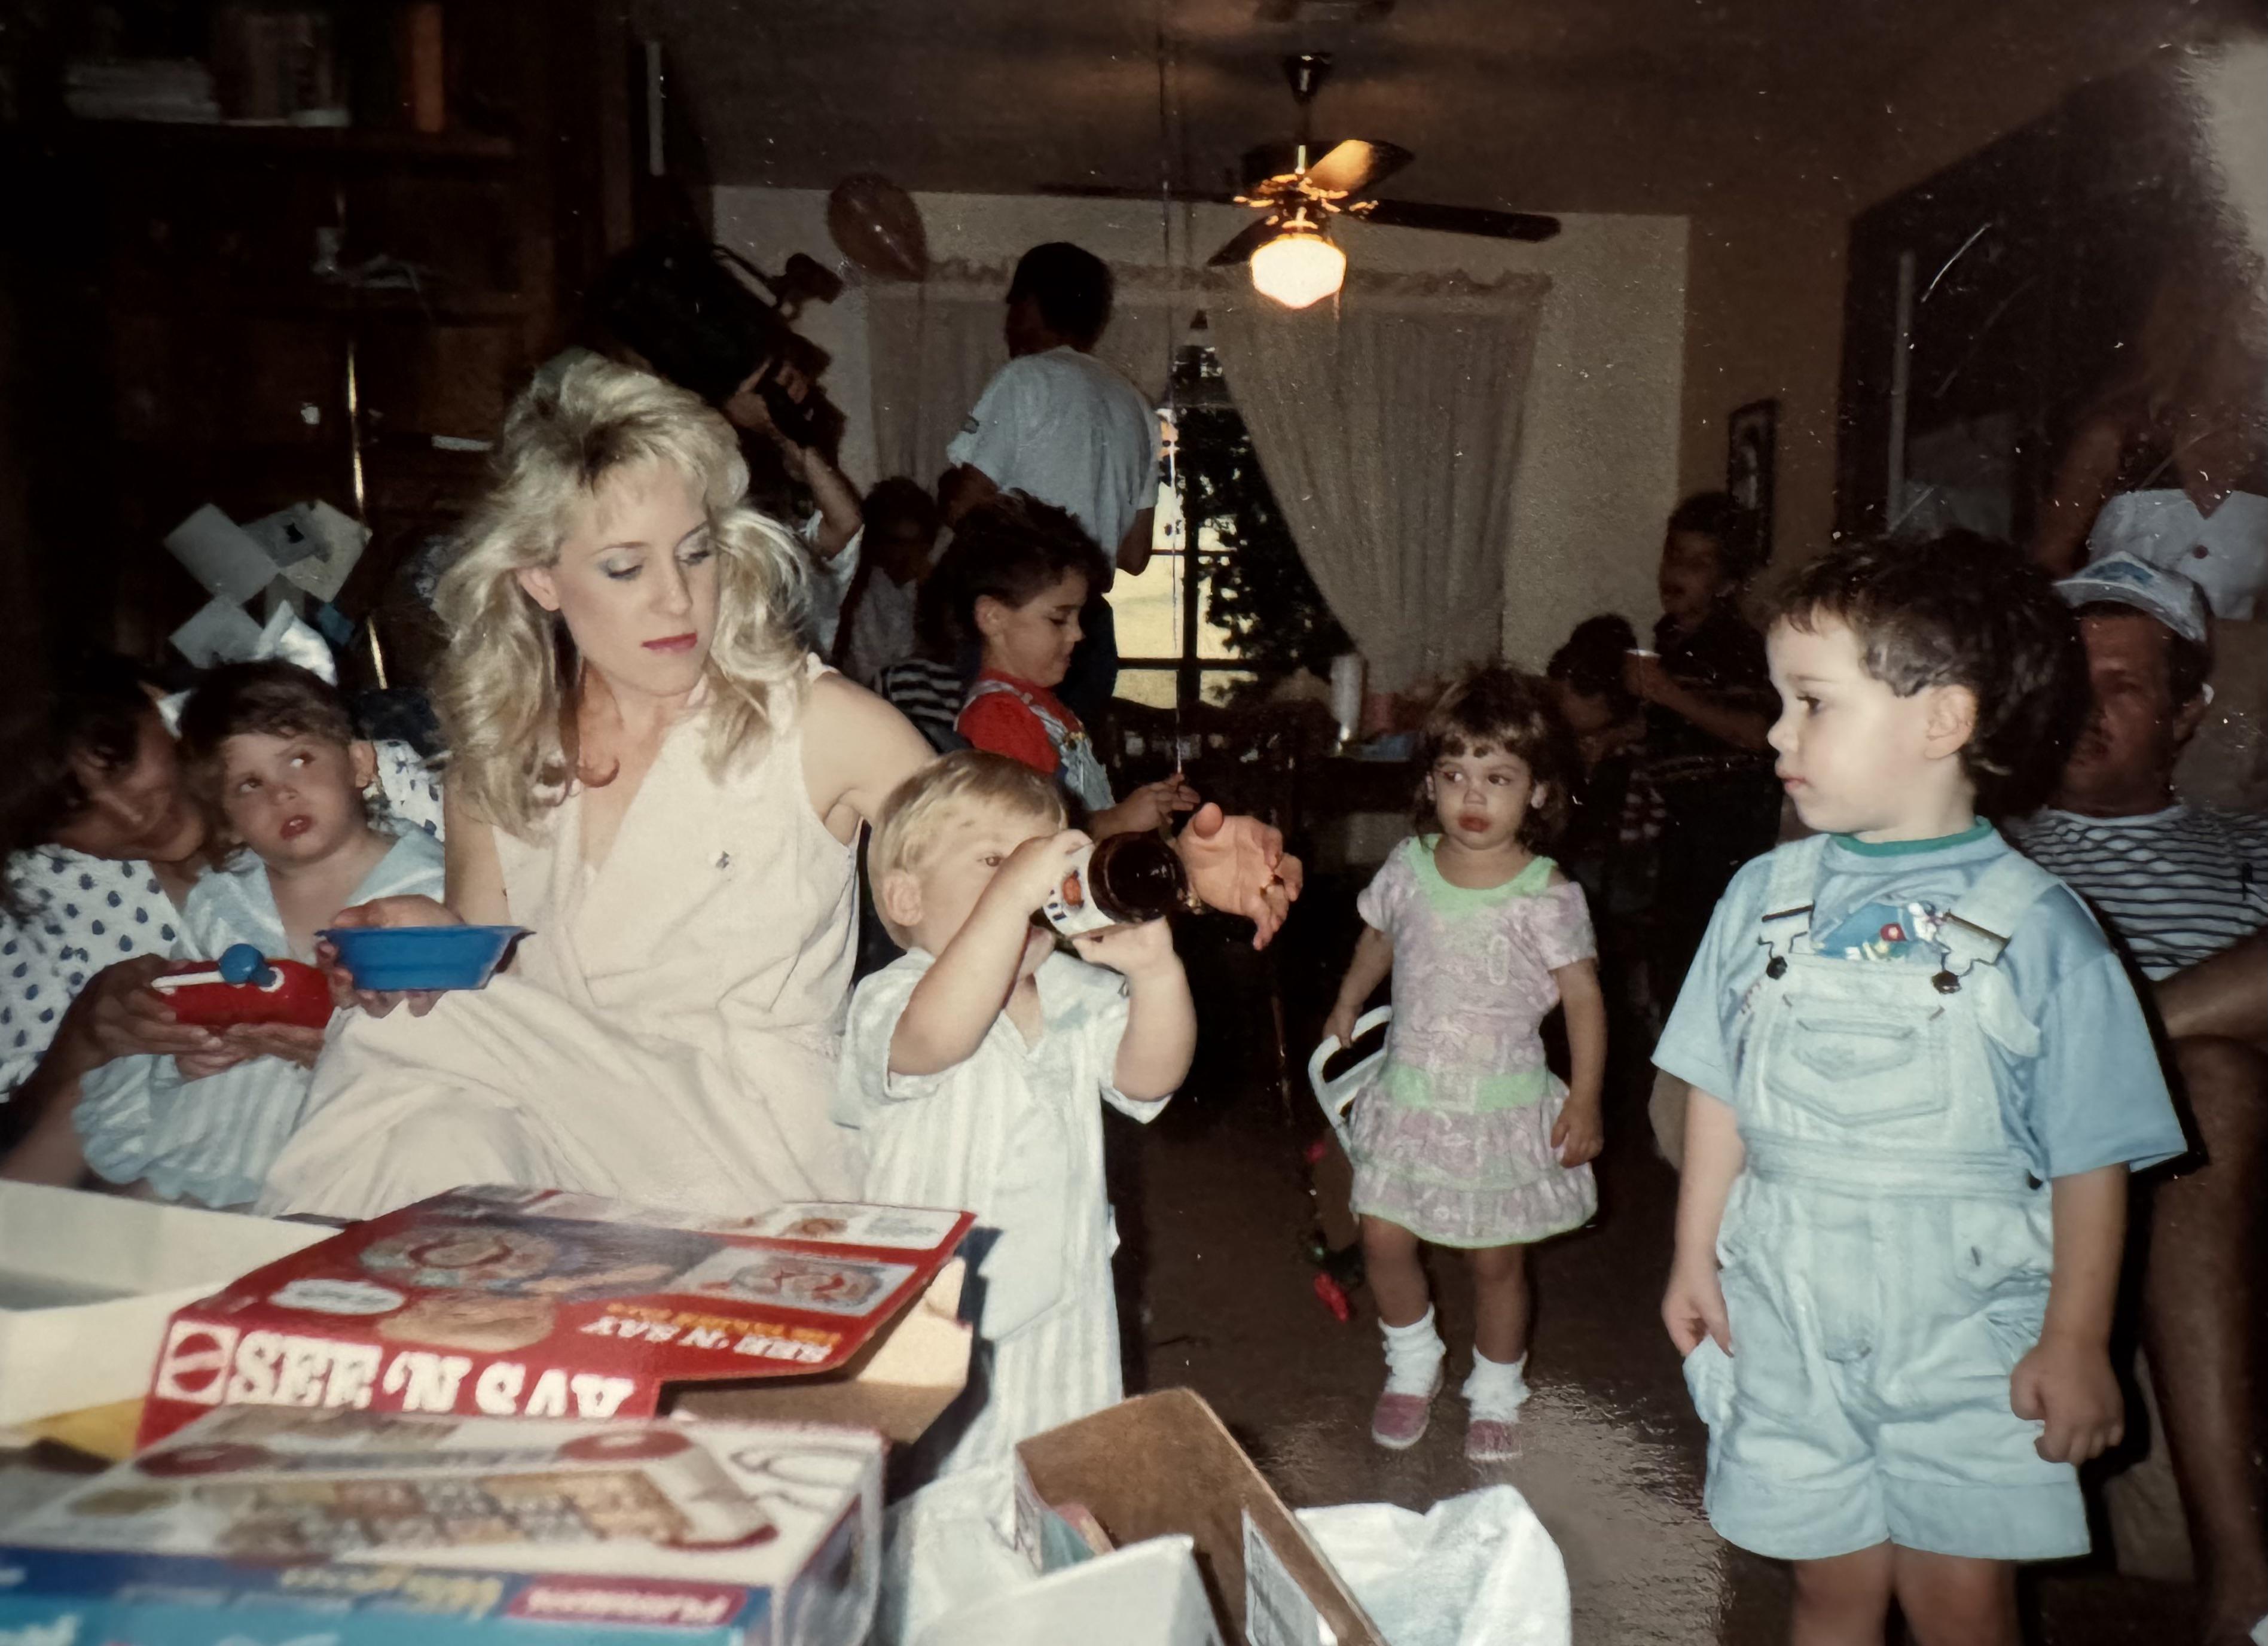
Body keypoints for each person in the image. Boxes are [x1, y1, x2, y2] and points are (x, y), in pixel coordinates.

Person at [259, 359, 1296, 1224]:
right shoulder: (498, 753)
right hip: (557, 1129)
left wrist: (1173, 874)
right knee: (426, 1104)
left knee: (403, 1042)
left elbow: (997, 874)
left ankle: (276, 1289)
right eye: (623, 568)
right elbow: (489, 981)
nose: (676, 599)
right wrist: (415, 942)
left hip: (745, 1150)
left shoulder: (821, 722)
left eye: (696, 553)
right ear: (539, 577)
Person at [1658, 535, 2185, 1644]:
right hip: (1786, 1300)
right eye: (1780, 703)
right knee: (1827, 1588)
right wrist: (1693, 1253)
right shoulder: (1760, 895)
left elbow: (2091, 1155)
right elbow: (1717, 1085)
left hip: (1965, 1322)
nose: (1777, 733)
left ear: (1941, 721)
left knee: (1959, 1599)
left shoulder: (2042, 927)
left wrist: (2076, 1338)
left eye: (1811, 704)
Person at [2008, 553, 2268, 1646]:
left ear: (2186, 713)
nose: (2087, 708)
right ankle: (2243, 1588)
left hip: (2245, 1147)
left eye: (2121, 685)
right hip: (2057, 1148)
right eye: (2072, 682)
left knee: (2213, 1082)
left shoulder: (2253, 848)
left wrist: (2123, 1036)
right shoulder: (1986, 846)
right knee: (2206, 1081)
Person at [835, 752, 1192, 1500]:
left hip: (1064, 1313)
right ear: (905, 896)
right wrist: (1008, 900)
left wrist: (1155, 973)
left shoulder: (1069, 988)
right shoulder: (893, 998)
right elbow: (936, 1038)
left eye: (1042, 863)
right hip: (933, 1319)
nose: (1031, 886)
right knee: (931, 1503)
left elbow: (1147, 1076)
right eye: (996, 862)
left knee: (1065, 1490)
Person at [0, 650, 441, 1185]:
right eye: (75, 812)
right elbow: (17, 1120)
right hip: (209, 1130)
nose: (129, 814)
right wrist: (88, 1037)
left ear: (156, 704)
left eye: (122, 766)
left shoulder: (376, 782)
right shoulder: (51, 893)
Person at [1321, 667, 1606, 1464]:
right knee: (1382, 1236)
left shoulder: (1546, 892)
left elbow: (1583, 998)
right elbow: (1379, 936)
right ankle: (1412, 1363)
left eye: (1497, 779)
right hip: (1410, 1096)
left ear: (1538, 792)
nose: (1471, 796)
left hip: (1497, 1105)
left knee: (1495, 1259)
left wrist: (1584, 1097)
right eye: (1453, 776)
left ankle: (1496, 1388)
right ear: (1430, 784)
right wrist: (1348, 999)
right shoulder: (1409, 865)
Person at [942, 243, 1159, 728]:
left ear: (1029, 305)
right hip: (1089, 631)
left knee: (999, 764)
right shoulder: (1137, 406)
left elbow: (963, 507)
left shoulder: (1026, 379)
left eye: (1012, 307)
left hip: (1022, 621)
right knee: (1066, 768)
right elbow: (1134, 555)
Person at [950, 493, 1196, 838]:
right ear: (992, 617)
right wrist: (1118, 821)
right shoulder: (998, 719)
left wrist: (1146, 811)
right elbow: (1027, 839)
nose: (1078, 634)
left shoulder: (1040, 705)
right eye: (1058, 619)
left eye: (1079, 617)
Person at [1625, 492, 1781, 994]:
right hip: (1682, 824)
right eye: (1674, 556)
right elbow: (1682, 726)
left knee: (1706, 964)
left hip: (1727, 824)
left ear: (1728, 583)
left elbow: (1756, 733)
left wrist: (1665, 692)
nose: (1677, 572)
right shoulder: (1671, 638)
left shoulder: (1734, 644)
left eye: (1697, 564)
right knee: (1673, 959)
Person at [837, 477, 940, 686]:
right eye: (898, 543)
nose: (909, 554)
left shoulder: (932, 588)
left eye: (918, 544)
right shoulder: (857, 589)